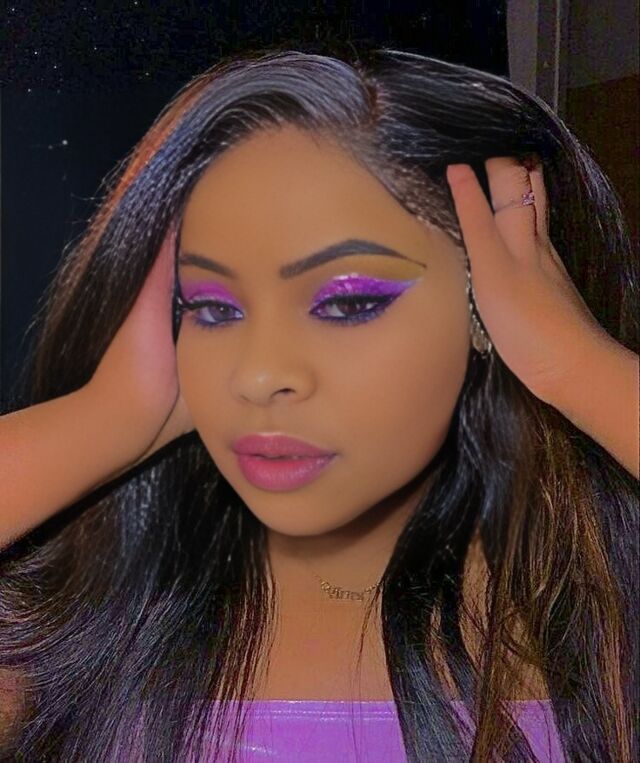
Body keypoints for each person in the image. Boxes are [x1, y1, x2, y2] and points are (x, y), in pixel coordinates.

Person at [0, 47, 637, 762]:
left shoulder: (595, 610)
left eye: (347, 302)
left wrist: (576, 365)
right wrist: (105, 420)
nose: (259, 374)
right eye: (212, 306)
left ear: (489, 307)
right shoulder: (87, 622)